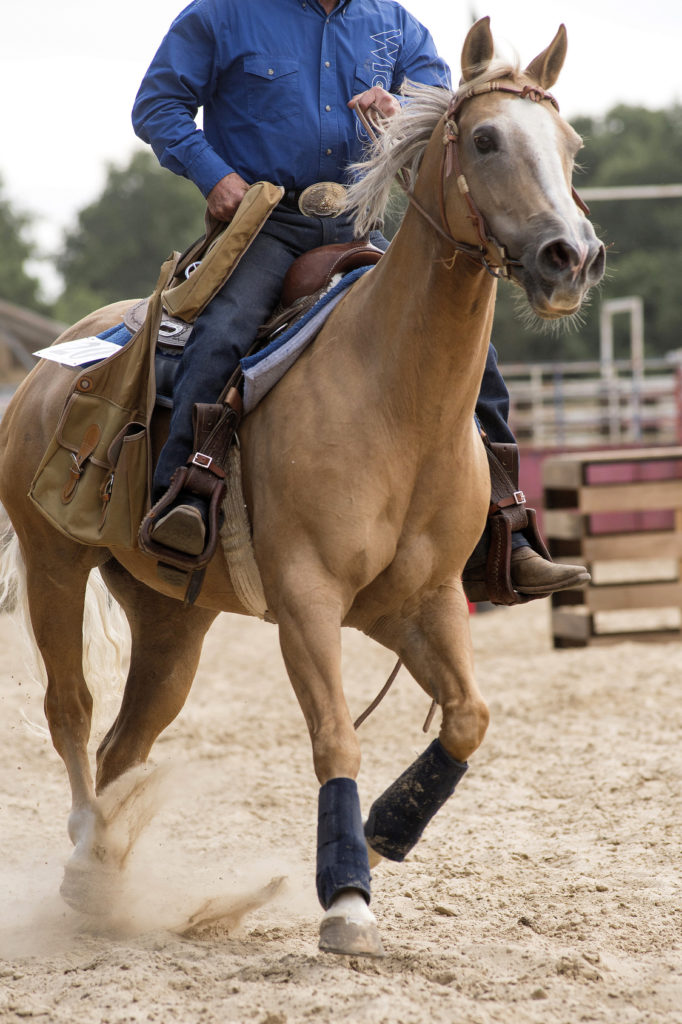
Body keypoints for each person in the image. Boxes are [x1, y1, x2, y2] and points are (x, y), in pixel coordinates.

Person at [132, 0, 588, 597]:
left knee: (479, 364)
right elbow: (157, 106)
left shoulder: (396, 25)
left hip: (357, 221)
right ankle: (185, 494)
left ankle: (508, 526)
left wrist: (399, 112)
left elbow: (442, 111)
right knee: (226, 329)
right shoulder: (222, 15)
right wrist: (213, 174)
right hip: (263, 220)